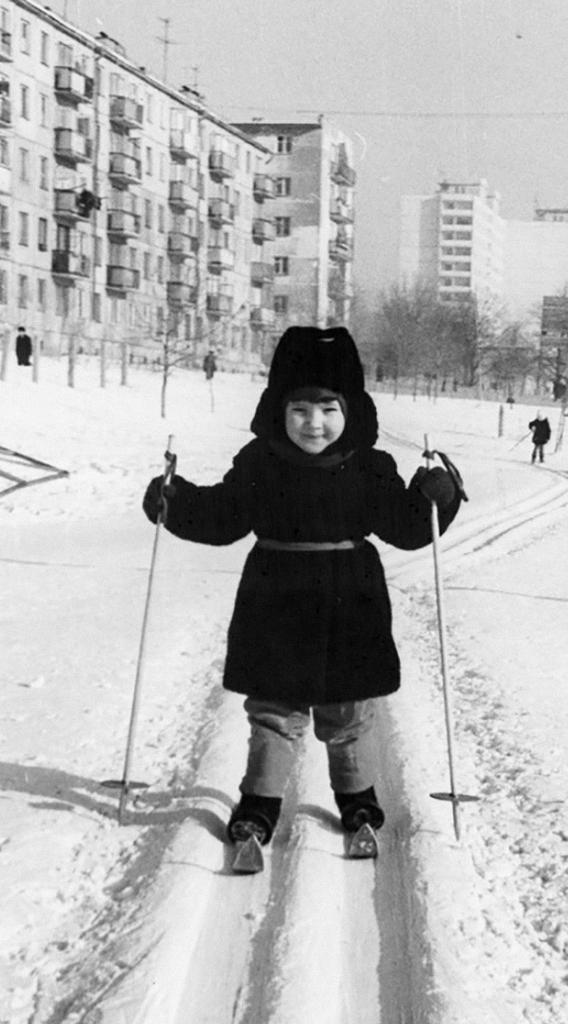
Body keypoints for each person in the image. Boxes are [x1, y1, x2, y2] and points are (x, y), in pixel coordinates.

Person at [142, 326, 463, 848]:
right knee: (274, 709)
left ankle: (356, 795)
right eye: (299, 410)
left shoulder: (369, 467)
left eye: (328, 409)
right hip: (276, 599)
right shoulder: (260, 464)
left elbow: (406, 528)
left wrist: (434, 496)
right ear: (277, 410)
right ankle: (260, 801)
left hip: (351, 601)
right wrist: (175, 503)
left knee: (348, 711)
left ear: (351, 411)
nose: (314, 424)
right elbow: (224, 517)